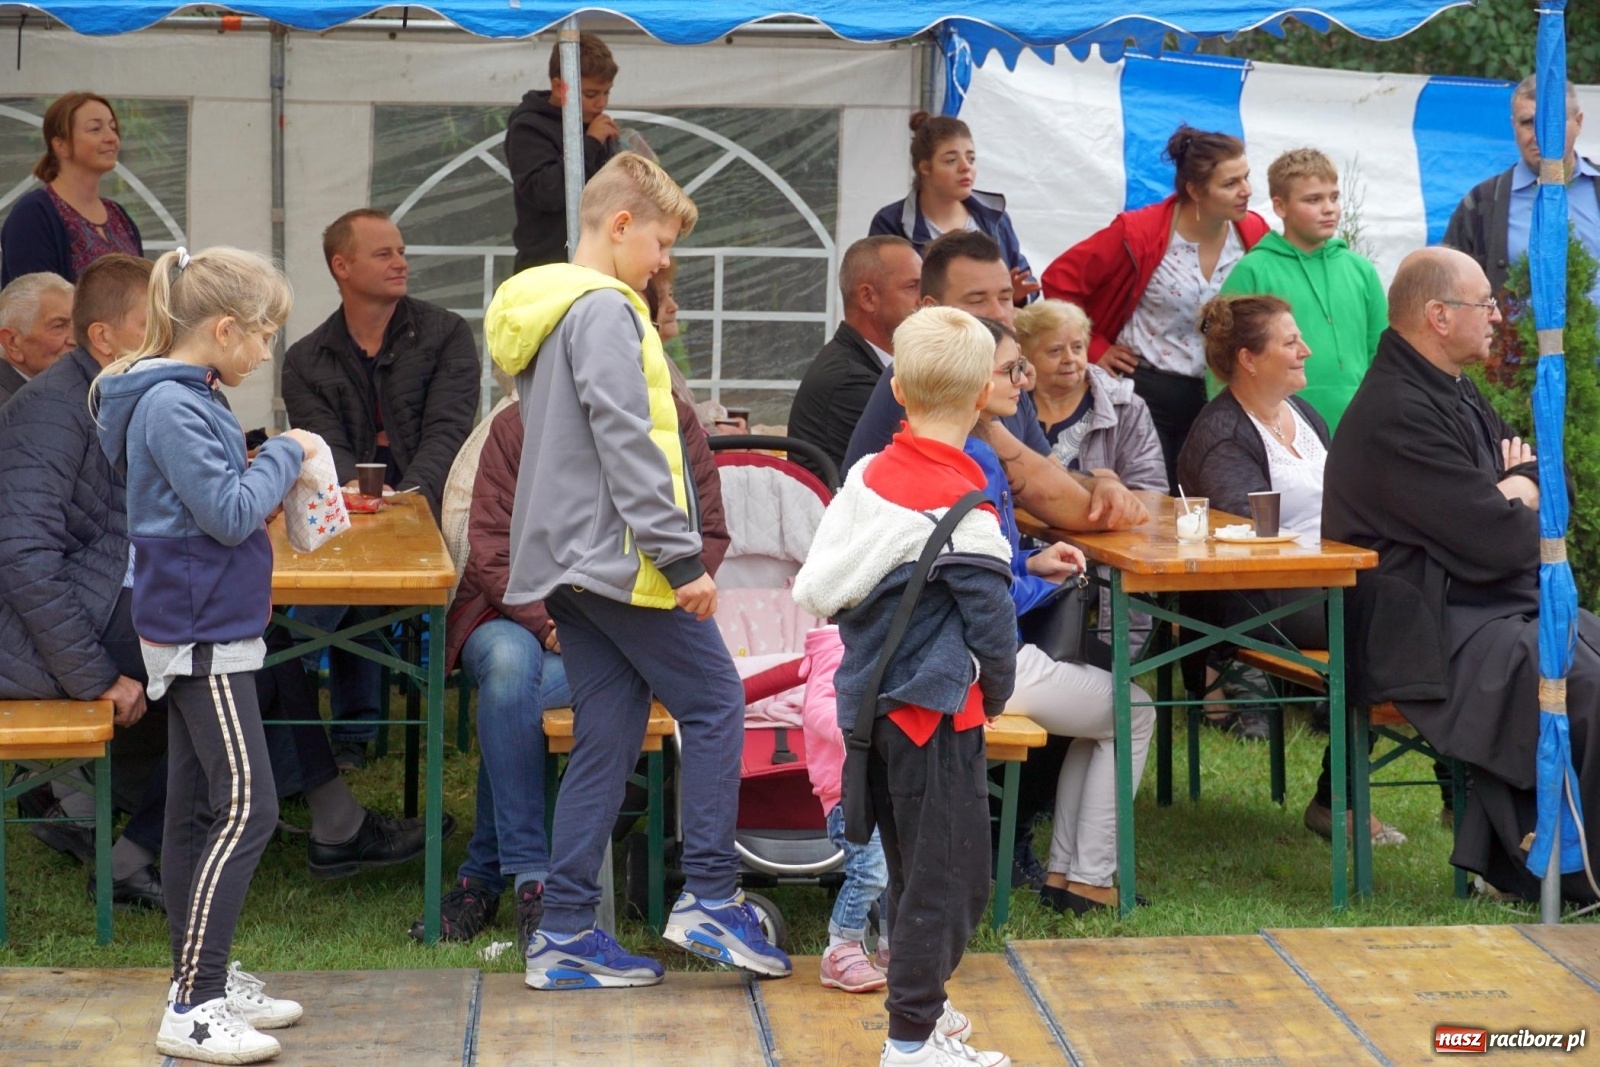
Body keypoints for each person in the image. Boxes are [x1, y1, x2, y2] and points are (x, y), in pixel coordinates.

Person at [487, 152, 790, 988]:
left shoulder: (545, 309)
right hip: (620, 559)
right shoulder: (605, 312)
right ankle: (711, 896)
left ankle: (565, 933)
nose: (663, 262)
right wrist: (681, 555)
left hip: (568, 565)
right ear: (620, 226)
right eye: (659, 242)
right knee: (718, 699)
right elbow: (628, 438)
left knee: (608, 737)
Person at [1325, 246, 1600, 902]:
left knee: (1586, 652)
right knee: (1577, 680)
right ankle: (1561, 867)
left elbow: (1540, 474)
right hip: (1421, 622)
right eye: (1485, 304)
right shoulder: (1398, 407)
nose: (1498, 319)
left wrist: (1514, 485)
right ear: (1438, 316)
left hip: (1480, 602)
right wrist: (1509, 492)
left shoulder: (1448, 385)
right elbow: (1498, 537)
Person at [93, 246, 312, 1064]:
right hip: (199, 627)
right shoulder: (173, 407)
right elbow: (228, 512)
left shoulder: (189, 395)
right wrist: (288, 453)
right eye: (261, 336)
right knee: (249, 806)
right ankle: (195, 1001)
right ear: (223, 327)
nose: (263, 353)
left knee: (191, 812)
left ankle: (202, 975)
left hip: (202, 618)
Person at [414, 382, 728, 949]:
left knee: (513, 703)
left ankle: (492, 878)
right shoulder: (516, 427)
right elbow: (489, 550)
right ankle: (535, 878)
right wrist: (548, 621)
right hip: (507, 609)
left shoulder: (669, 419)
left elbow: (706, 534)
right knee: (512, 669)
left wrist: (609, 620)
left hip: (619, 619)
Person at [792, 305, 1016, 1067]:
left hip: (867, 706)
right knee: (951, 884)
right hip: (934, 718)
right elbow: (994, 627)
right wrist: (1003, 691)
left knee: (914, 868)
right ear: (984, 391)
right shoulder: (966, 510)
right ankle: (912, 1042)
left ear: (896, 383)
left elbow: (833, 583)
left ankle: (928, 1009)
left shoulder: (866, 476)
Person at [1178, 294, 1404, 843]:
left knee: (1420, 603)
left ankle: (1453, 792)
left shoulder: (1304, 416)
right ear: (1250, 359)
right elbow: (1244, 542)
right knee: (1390, 621)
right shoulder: (1224, 436)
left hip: (1328, 581)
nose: (1306, 349)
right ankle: (1338, 801)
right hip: (1256, 597)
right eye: (1290, 342)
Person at [959, 317, 1157, 919]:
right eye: (1012, 368)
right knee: (1134, 709)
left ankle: (1072, 875)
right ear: (970, 383)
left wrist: (1029, 561)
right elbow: (981, 588)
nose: (1024, 380)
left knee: (1106, 714)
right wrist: (1034, 582)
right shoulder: (980, 460)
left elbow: (967, 563)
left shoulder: (921, 447)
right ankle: (1086, 880)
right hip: (981, 660)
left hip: (943, 651)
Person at [282, 208, 479, 767]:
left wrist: (407, 499)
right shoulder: (304, 359)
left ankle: (293, 692)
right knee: (346, 554)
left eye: (401, 250)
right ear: (341, 266)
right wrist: (363, 501)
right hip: (346, 508)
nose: (401, 262)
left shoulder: (445, 335)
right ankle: (339, 729)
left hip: (431, 509)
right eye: (384, 253)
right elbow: (325, 452)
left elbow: (449, 432)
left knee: (342, 570)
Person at [0, 254, 166, 910]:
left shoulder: (106, 390)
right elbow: (23, 561)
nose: (169, 334)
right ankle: (135, 855)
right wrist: (96, 677)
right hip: (37, 640)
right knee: (229, 657)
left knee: (249, 647)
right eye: (153, 323)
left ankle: (329, 819)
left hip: (88, 604)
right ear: (104, 338)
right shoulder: (53, 409)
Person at [845, 230, 1149, 533]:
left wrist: (1099, 484)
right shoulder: (937, 373)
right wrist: (1101, 500)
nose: (999, 314)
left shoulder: (1005, 373)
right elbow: (1054, 497)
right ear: (931, 308)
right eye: (977, 300)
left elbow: (1048, 469)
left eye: (1006, 298)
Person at [1042, 125, 1270, 491]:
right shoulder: (1139, 231)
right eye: (1231, 184)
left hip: (1221, 395)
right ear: (1195, 191)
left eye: (1245, 177)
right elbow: (1060, 280)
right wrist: (1096, 347)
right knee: (1154, 509)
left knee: (1212, 511)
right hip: (1150, 393)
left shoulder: (1254, 232)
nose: (1247, 191)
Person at [1219, 148, 1386, 432]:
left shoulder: (1362, 271)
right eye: (1313, 200)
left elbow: (1382, 355)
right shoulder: (1252, 271)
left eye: (1334, 197)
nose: (1329, 208)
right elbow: (1223, 358)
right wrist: (1229, 427)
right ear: (1280, 207)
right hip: (1277, 430)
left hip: (1358, 429)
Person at [1444, 76, 1600, 304]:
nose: (1540, 135)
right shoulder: (1480, 205)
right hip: (1512, 339)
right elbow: (1451, 294)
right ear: (1513, 125)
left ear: (1578, 122)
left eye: (1552, 122)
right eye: (1528, 122)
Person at [788, 236, 922, 483]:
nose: (924, 300)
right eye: (912, 287)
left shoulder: (864, 364)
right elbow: (909, 474)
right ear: (868, 298)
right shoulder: (850, 381)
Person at [869, 112, 1037, 305]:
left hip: (990, 333)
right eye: (951, 160)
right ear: (925, 167)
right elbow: (885, 295)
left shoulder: (995, 218)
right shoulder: (891, 223)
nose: (965, 167)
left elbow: (1024, 278)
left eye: (971, 159)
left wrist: (1017, 296)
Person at [1014, 299, 1165, 489]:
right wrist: (1086, 479)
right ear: (1026, 355)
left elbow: (1148, 488)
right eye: (1055, 350)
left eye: (1077, 347)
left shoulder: (1125, 406)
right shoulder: (1009, 403)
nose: (1069, 359)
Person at [1, 92, 143, 287]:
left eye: (113, 127)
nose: (111, 137)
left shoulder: (119, 215)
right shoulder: (33, 216)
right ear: (61, 145)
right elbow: (38, 306)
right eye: (95, 129)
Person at [506, 32, 622, 272]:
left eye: (606, 93)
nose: (601, 104)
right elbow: (548, 192)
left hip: (597, 263)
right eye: (590, 94)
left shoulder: (593, 126)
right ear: (559, 87)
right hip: (546, 267)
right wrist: (590, 143)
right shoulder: (528, 128)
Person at [0, 272, 76, 407]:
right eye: (59, 326)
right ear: (12, 342)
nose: (76, 339)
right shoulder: (10, 412)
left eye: (79, 324)